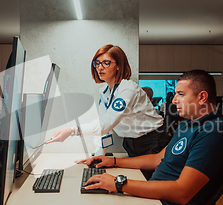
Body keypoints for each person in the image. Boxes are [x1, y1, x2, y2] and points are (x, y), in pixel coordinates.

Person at [77, 70, 223, 205]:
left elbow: (182, 191)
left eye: (181, 94)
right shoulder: (189, 124)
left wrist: (119, 183)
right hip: (156, 202)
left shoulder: (213, 133)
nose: (174, 100)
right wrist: (112, 162)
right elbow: (157, 159)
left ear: (202, 97)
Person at [48, 45, 166, 176]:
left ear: (118, 66)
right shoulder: (104, 91)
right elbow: (105, 128)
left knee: (150, 184)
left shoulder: (128, 90)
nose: (99, 67)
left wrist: (72, 130)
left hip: (153, 141)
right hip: (131, 142)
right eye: (97, 63)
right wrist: (98, 159)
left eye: (106, 63)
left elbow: (104, 125)